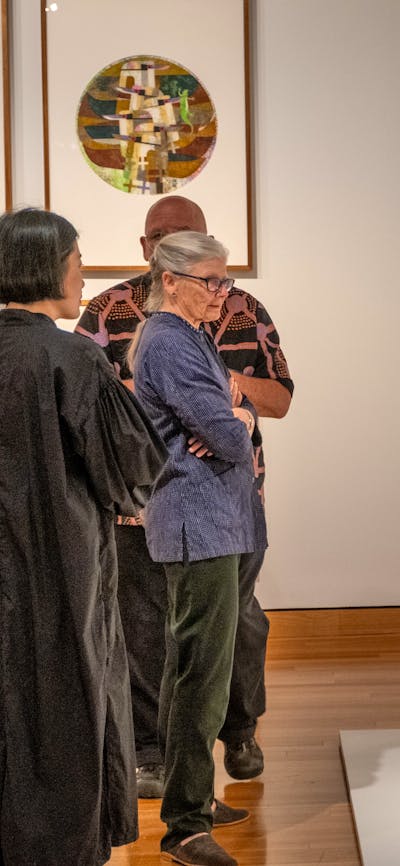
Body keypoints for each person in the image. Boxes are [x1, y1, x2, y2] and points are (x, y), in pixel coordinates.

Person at [76, 195, 294, 796]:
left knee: (233, 629)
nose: (164, 244)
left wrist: (228, 396)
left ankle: (240, 730)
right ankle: (159, 760)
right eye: (157, 237)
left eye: (182, 234)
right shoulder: (109, 310)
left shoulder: (240, 309)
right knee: (153, 634)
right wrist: (213, 413)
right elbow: (88, 403)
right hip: (145, 502)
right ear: (154, 258)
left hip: (229, 499)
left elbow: (276, 397)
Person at [0, 207, 166, 866]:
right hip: (58, 574)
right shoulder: (70, 356)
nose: (83, 274)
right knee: (64, 706)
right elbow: (132, 468)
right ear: (51, 266)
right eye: (77, 260)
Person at [130, 230, 267, 866]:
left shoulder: (189, 336)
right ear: (173, 279)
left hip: (215, 523)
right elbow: (231, 436)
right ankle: (184, 828)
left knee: (192, 668)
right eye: (212, 282)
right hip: (198, 524)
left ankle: (194, 798)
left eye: (227, 281)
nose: (224, 293)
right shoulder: (167, 341)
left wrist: (236, 416)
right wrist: (234, 422)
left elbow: (234, 420)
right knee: (199, 678)